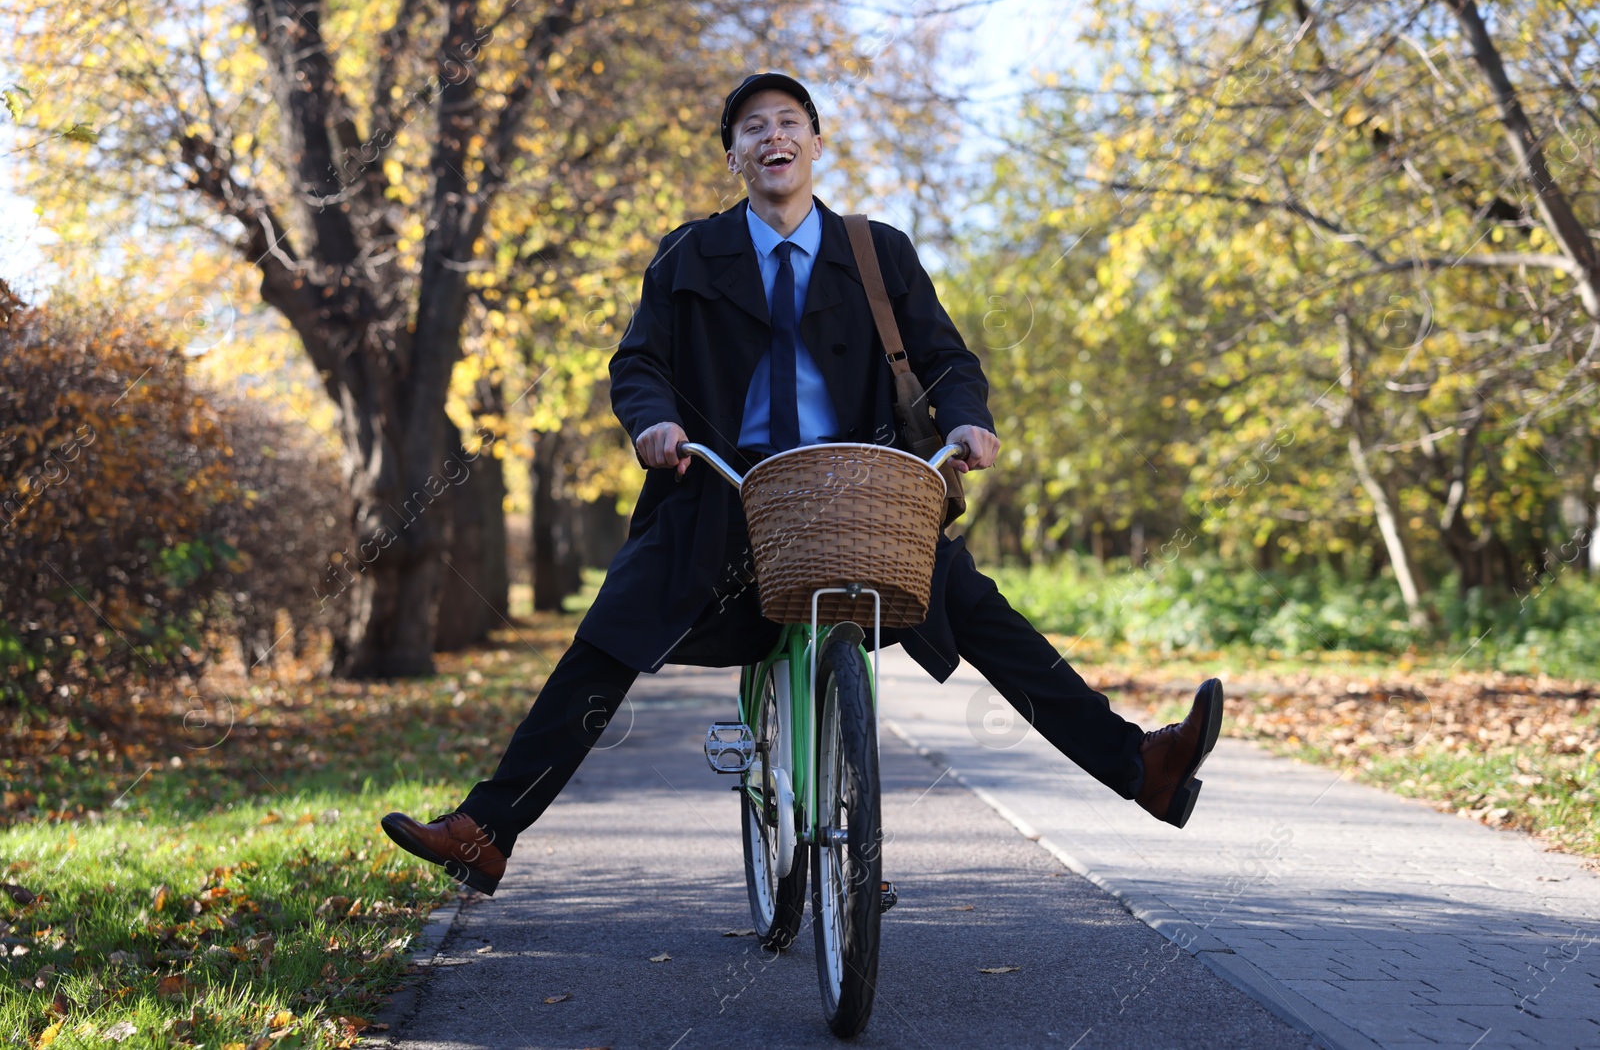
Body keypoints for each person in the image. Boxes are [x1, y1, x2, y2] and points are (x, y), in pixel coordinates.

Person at [381, 73, 1224, 896]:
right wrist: (652, 425)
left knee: (979, 610)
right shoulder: (687, 252)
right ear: (734, 156)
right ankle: (489, 829)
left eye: (790, 121)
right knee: (607, 638)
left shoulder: (877, 250)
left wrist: (967, 418)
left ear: (817, 144)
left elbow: (946, 358)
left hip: (859, 489)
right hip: (724, 493)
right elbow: (639, 361)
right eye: (753, 127)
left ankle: (1139, 765)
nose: (773, 135)